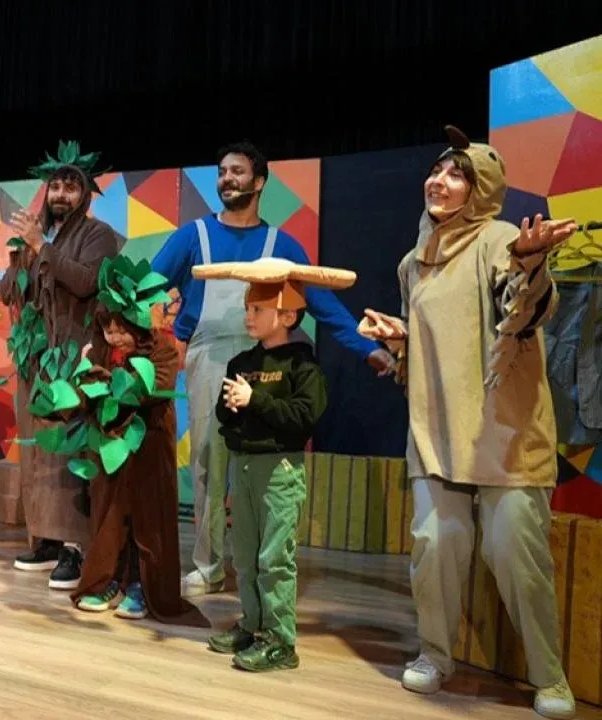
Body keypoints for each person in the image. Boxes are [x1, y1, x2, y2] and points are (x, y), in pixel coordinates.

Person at [358, 126, 577, 719]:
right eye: (436, 170)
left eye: (457, 174)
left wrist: (530, 263)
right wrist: (399, 342)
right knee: (435, 546)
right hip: (436, 431)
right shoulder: (412, 263)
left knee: (515, 554)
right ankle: (435, 654)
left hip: (503, 433)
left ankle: (549, 676)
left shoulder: (499, 239)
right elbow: (439, 340)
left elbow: (522, 309)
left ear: (482, 188)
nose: (439, 180)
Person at [150, 141, 396, 596]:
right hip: (210, 356)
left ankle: (260, 565)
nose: (227, 179)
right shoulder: (193, 236)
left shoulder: (281, 245)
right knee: (209, 461)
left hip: (266, 359)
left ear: (259, 182)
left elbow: (322, 303)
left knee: (261, 462)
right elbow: (146, 284)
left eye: (238, 171)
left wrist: (367, 349)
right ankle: (208, 565)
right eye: (222, 171)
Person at [197, 258, 347, 671]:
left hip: (279, 470)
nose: (248, 316)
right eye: (248, 308)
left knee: (275, 557)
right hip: (243, 466)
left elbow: (303, 417)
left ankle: (281, 639)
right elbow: (225, 416)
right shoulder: (241, 363)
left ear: (287, 316)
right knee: (245, 556)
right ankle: (252, 624)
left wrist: (255, 400)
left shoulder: (303, 366)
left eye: (257, 309)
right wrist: (231, 407)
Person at [0, 140, 123, 590]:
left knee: (70, 452)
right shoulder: (33, 240)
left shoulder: (98, 235)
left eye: (71, 187)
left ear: (84, 194)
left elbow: (87, 282)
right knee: (38, 452)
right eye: (55, 186)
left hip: (74, 358)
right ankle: (46, 538)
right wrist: (22, 257)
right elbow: (9, 293)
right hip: (36, 362)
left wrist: (42, 246)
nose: (61, 195)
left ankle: (74, 546)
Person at [70, 257, 200, 624]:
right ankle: (109, 580)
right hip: (110, 449)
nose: (114, 338)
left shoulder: (161, 349)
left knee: (147, 518)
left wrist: (106, 381)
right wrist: (80, 381)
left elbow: (148, 389)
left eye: (121, 330)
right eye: (108, 330)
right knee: (111, 516)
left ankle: (143, 585)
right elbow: (84, 393)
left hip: (149, 448)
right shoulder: (100, 351)